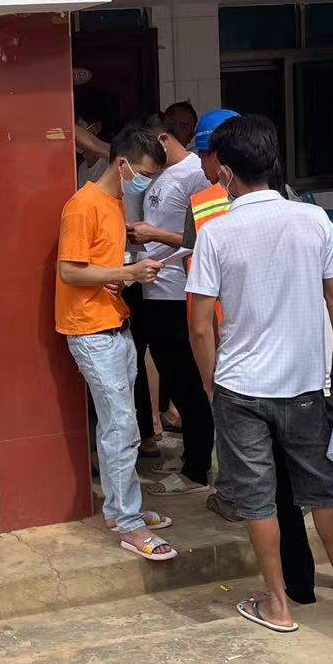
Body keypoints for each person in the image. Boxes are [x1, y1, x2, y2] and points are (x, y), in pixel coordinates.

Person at [185, 115, 333, 631]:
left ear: (226, 174)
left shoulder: (216, 233)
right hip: (303, 386)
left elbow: (200, 326)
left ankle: (278, 604)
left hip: (239, 387)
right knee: (322, 491)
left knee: (258, 499)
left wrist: (209, 383)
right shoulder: (314, 222)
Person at [57, 123, 173, 560]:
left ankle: (121, 511)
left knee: (118, 427)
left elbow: (96, 266)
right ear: (122, 164)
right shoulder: (83, 205)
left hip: (114, 324)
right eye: (144, 174)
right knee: (122, 427)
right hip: (91, 331)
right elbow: (69, 270)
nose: (146, 182)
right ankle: (128, 522)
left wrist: (123, 276)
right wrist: (128, 273)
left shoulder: (114, 202)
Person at [127, 115, 212, 496]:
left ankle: (197, 468)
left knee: (188, 384)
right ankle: (191, 459)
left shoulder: (196, 174)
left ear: (164, 138)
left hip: (179, 291)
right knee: (174, 380)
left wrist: (154, 233)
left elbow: (206, 237)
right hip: (153, 290)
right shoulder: (159, 174)